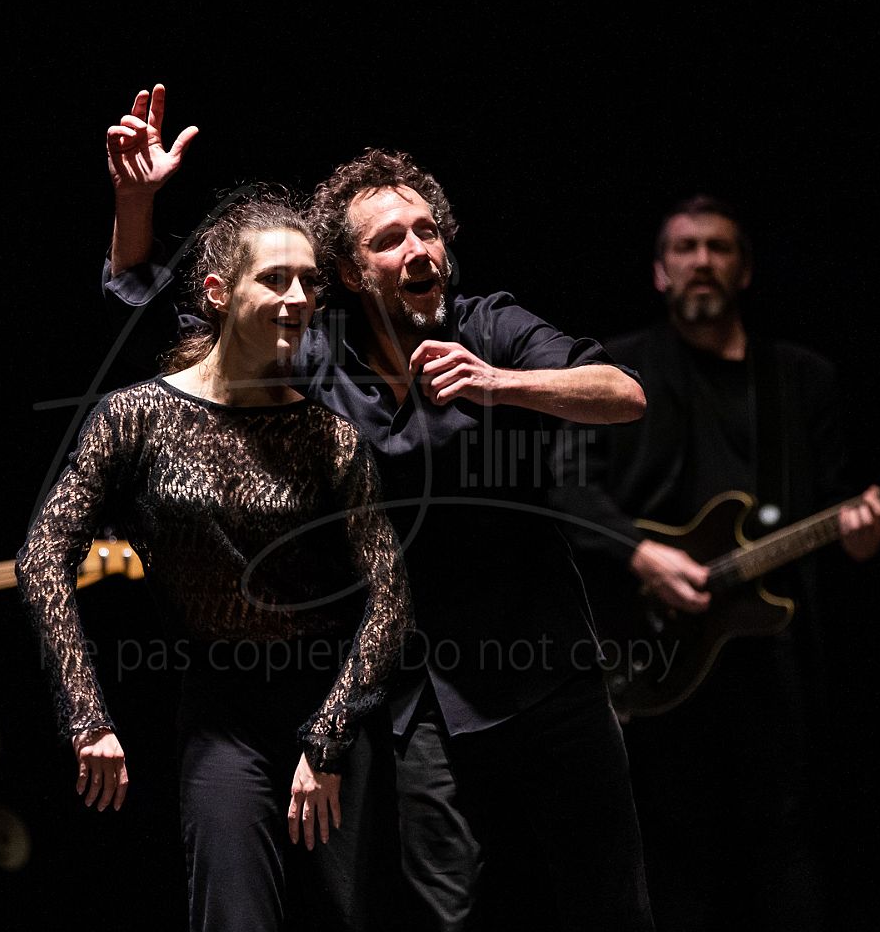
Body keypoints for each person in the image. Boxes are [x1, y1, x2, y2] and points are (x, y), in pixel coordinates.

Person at [100, 84, 653, 931]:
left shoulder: (490, 327)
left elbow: (621, 393)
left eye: (428, 230)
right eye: (390, 239)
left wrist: (500, 383)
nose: (418, 249)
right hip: (418, 696)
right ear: (350, 273)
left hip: (547, 671)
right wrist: (136, 202)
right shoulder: (313, 358)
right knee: (442, 914)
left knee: (606, 905)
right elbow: (156, 309)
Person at [16, 191, 415, 932]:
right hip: (220, 712)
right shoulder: (134, 417)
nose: (298, 298)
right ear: (217, 291)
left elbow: (389, 598)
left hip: (330, 701)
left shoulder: (330, 437)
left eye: (309, 282)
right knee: (234, 915)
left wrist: (328, 741)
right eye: (274, 279)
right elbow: (43, 555)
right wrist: (87, 716)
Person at [550, 195, 880, 930]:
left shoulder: (801, 378)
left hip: (770, 655)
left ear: (745, 270)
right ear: (659, 272)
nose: (702, 261)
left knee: (785, 845)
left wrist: (861, 537)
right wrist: (642, 554)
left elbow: (838, 505)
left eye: (719, 247)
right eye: (685, 248)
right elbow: (565, 490)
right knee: (671, 856)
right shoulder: (615, 372)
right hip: (652, 651)